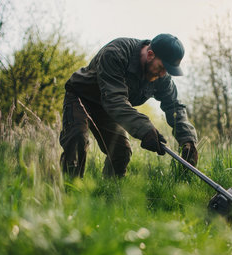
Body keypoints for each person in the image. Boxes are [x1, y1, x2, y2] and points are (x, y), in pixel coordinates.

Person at [59, 33, 198, 178]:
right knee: (77, 140)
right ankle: (70, 193)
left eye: (168, 70)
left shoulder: (162, 77)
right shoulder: (116, 53)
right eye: (162, 67)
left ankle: (109, 193)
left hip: (108, 108)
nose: (164, 74)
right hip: (82, 96)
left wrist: (188, 140)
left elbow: (174, 106)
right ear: (150, 54)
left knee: (121, 151)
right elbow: (114, 99)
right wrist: (145, 128)